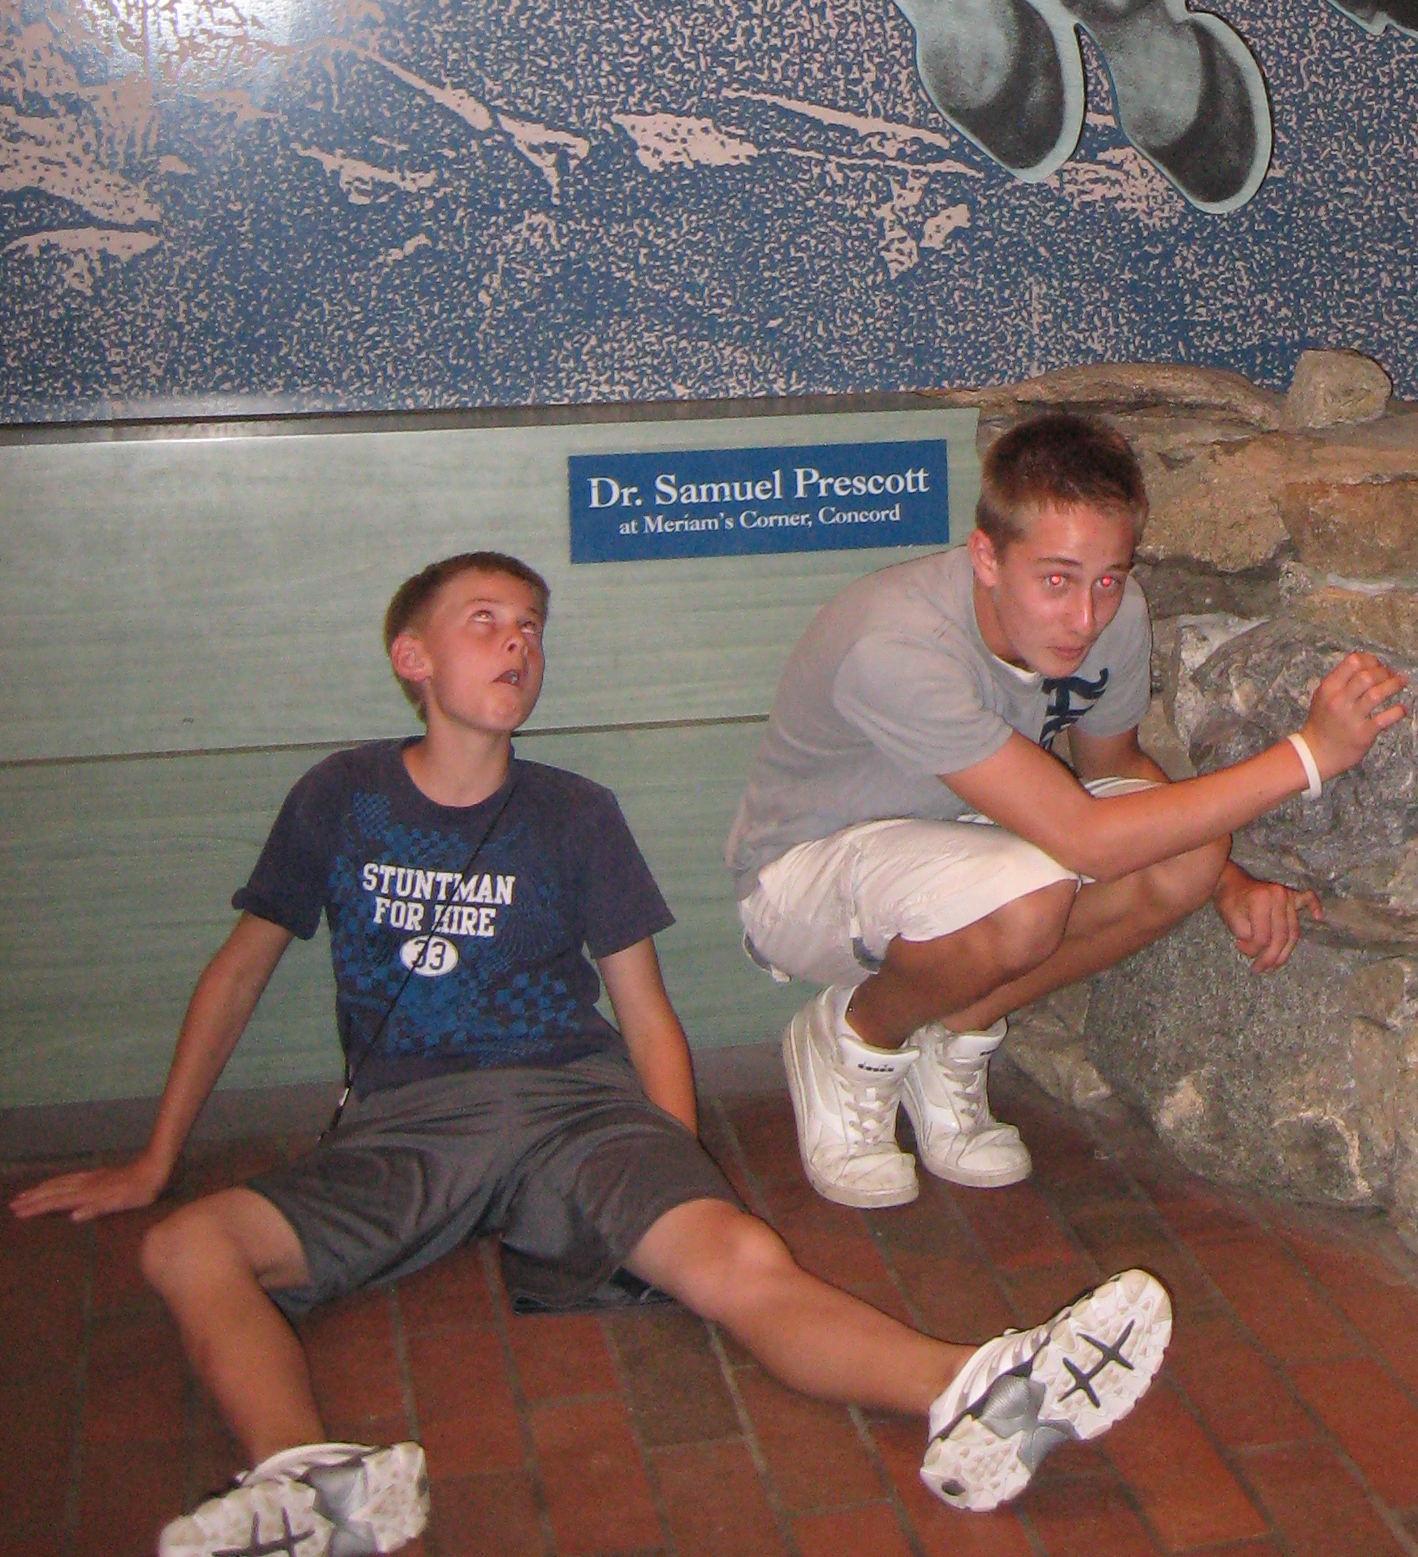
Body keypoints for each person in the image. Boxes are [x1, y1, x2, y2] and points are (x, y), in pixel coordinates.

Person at [11, 551, 1171, 1557]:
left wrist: (672, 1166)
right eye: (485, 622)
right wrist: (156, 1159)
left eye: (531, 627)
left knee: (740, 1262)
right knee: (184, 1247)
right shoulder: (340, 798)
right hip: (408, 1122)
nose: (518, 644)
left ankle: (970, 1389)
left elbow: (644, 1008)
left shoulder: (574, 812)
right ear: (413, 658)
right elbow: (239, 971)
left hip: (574, 1107)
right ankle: (309, 1484)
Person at [727, 407, 1408, 1207]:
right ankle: (855, 1038)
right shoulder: (896, 647)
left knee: (1190, 853)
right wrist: (1308, 756)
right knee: (1028, 898)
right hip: (801, 882)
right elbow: (1087, 838)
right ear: (987, 557)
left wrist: (1226, 882)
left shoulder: (1114, 615)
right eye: (1056, 580)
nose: (1085, 618)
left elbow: (1114, 771)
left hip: (971, 853)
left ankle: (954, 1031)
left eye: (1107, 579)